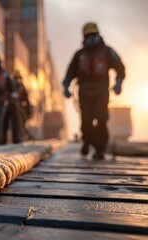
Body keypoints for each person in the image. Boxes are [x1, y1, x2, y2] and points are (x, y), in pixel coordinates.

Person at [62, 22, 125, 160]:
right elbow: (69, 73)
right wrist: (65, 86)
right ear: (84, 37)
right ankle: (87, 140)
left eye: (93, 35)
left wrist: (118, 83)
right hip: (84, 93)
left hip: (102, 91)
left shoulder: (107, 51)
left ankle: (99, 149)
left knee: (101, 118)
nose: (91, 39)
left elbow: (120, 67)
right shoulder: (79, 55)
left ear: (98, 34)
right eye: (88, 36)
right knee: (86, 121)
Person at [1, 70, 32, 144]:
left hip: (17, 108)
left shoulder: (21, 87)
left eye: (18, 78)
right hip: (9, 106)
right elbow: (5, 93)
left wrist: (28, 110)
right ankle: (3, 140)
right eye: (16, 78)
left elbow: (26, 99)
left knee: (17, 123)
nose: (17, 80)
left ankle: (16, 139)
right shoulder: (10, 85)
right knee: (5, 123)